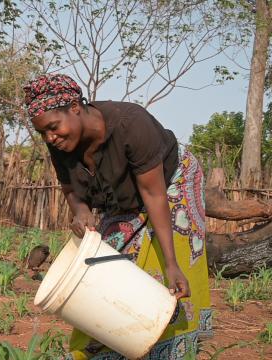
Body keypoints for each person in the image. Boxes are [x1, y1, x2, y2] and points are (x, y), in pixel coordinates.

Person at [23, 74, 212, 360]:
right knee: (104, 262)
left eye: (53, 127)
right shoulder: (58, 144)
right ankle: (108, 347)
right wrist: (81, 211)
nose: (50, 138)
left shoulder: (130, 123)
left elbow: (153, 195)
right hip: (120, 198)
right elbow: (70, 188)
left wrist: (172, 263)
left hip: (171, 183)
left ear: (75, 106)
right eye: (43, 133)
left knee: (169, 269)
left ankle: (174, 350)